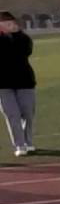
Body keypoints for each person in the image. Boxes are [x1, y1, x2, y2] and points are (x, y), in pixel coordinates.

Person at [0, 11, 37, 156]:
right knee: (12, 114)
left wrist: (15, 33)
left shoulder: (23, 38)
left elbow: (25, 51)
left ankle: (28, 141)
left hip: (24, 81)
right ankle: (19, 145)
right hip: (3, 84)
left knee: (28, 113)